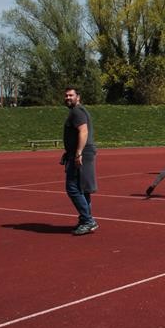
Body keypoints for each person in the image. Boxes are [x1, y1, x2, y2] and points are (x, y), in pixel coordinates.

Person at [62, 87, 99, 235]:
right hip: (82, 152)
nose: (68, 98)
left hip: (81, 154)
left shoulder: (77, 112)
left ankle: (88, 220)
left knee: (72, 187)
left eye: (71, 95)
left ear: (78, 97)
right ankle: (85, 219)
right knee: (82, 188)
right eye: (66, 95)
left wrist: (78, 153)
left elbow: (83, 131)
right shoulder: (78, 111)